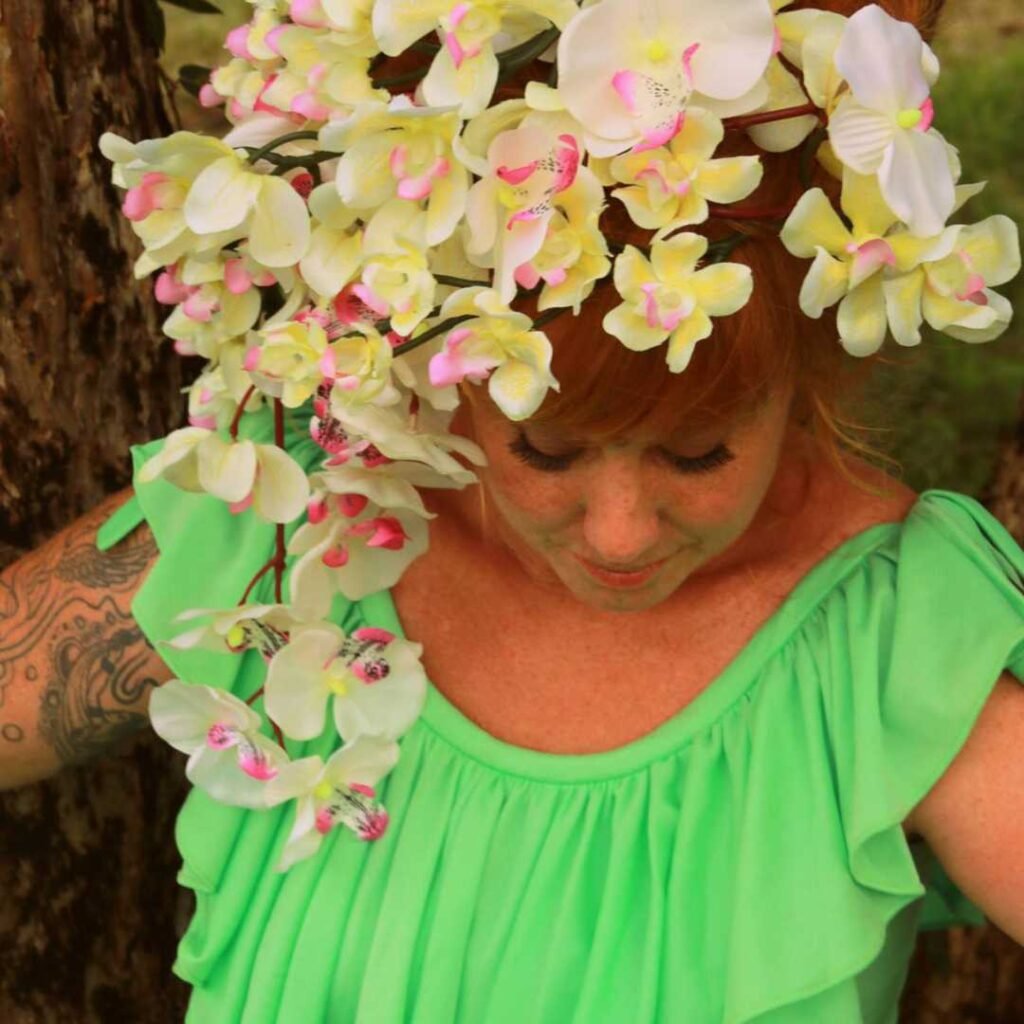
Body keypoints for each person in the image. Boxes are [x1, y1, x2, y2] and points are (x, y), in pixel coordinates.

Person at [3, 0, 1024, 1021]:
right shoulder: (295, 532)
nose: (620, 531)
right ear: (431, 373)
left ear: (800, 383)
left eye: (698, 451)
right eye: (545, 447)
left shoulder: (889, 641)